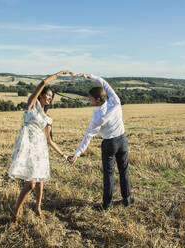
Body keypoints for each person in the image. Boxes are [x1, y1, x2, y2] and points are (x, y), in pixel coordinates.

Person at [8, 70, 72, 223]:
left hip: (40, 149)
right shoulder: (31, 105)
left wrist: (64, 156)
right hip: (27, 146)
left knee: (40, 180)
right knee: (30, 183)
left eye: (51, 97)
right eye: (47, 95)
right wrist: (59, 74)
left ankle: (38, 207)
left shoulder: (48, 118)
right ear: (40, 95)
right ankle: (16, 214)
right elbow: (43, 83)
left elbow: (50, 140)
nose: (49, 98)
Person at [69, 73, 133, 210]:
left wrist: (78, 153)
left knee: (109, 175)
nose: (89, 100)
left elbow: (88, 135)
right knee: (124, 170)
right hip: (122, 140)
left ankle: (106, 204)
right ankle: (127, 199)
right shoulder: (115, 100)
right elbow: (103, 82)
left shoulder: (98, 115)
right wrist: (89, 76)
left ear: (98, 100)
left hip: (110, 144)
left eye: (90, 98)